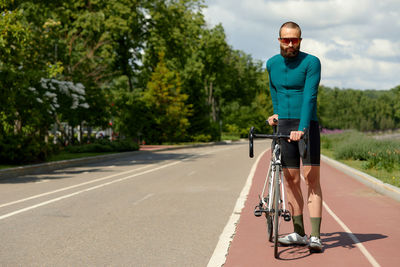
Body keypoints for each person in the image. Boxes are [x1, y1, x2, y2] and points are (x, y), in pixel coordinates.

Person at [266, 21, 323, 253]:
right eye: (286, 39)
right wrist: (276, 112)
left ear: (300, 40)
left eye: (295, 39)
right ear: (279, 39)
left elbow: (310, 96)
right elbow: (275, 91)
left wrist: (302, 128)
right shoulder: (271, 64)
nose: (290, 44)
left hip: (306, 124)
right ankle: (299, 232)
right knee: (290, 180)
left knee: (311, 179)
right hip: (284, 124)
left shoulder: (311, 62)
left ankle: (316, 236)